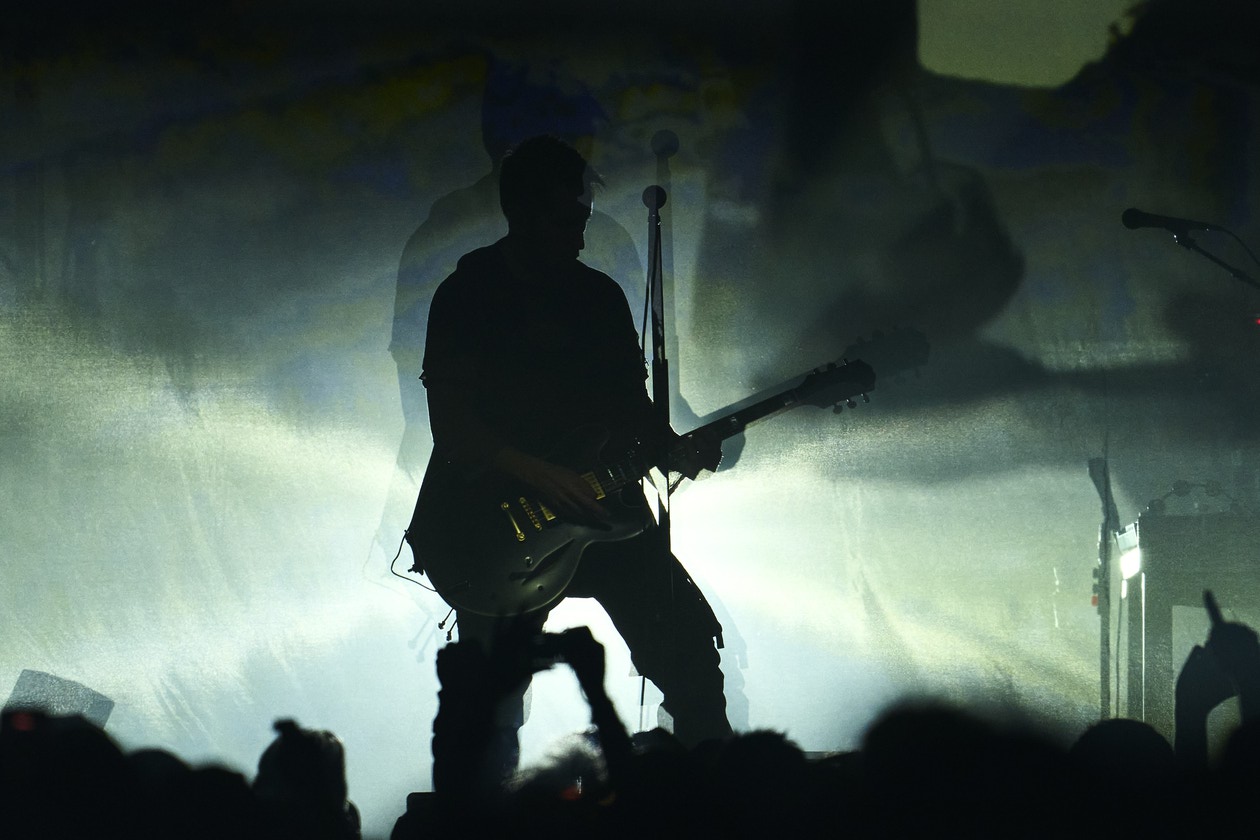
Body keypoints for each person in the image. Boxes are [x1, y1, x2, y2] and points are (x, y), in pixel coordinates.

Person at [409, 135, 732, 777]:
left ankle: (723, 802)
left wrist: (675, 449)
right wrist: (541, 476)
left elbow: (632, 410)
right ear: (524, 212)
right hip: (491, 522)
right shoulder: (469, 293)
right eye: (568, 219)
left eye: (582, 219)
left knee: (690, 650)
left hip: (607, 511)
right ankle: (476, 819)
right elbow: (454, 429)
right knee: (487, 703)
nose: (580, 235)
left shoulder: (599, 298)